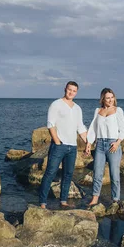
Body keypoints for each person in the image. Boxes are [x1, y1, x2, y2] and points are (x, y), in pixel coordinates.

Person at [39, 81, 88, 209]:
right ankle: (43, 203)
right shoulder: (56, 104)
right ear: (65, 89)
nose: (71, 92)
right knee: (50, 172)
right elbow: (50, 124)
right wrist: (56, 141)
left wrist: (88, 143)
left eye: (74, 91)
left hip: (72, 147)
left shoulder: (77, 108)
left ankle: (63, 201)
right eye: (69, 89)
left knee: (68, 174)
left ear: (76, 92)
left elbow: (81, 128)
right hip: (59, 146)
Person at [84, 88, 124, 206]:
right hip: (100, 145)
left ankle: (115, 199)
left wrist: (118, 142)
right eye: (108, 98)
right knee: (97, 173)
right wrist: (89, 143)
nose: (110, 100)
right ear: (103, 99)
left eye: (112, 97)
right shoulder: (98, 111)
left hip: (113, 144)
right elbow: (93, 128)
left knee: (114, 174)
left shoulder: (118, 110)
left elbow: (123, 129)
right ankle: (95, 199)